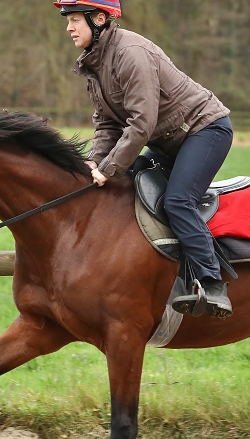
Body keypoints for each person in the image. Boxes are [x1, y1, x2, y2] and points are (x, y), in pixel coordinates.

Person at [54, 0, 235, 319]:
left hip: (205, 130)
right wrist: (93, 162)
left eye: (75, 20)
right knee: (126, 182)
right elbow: (107, 124)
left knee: (178, 201)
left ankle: (211, 284)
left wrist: (109, 168)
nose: (69, 28)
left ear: (99, 19)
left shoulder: (130, 53)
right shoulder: (95, 62)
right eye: (67, 21)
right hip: (168, 140)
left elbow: (141, 123)